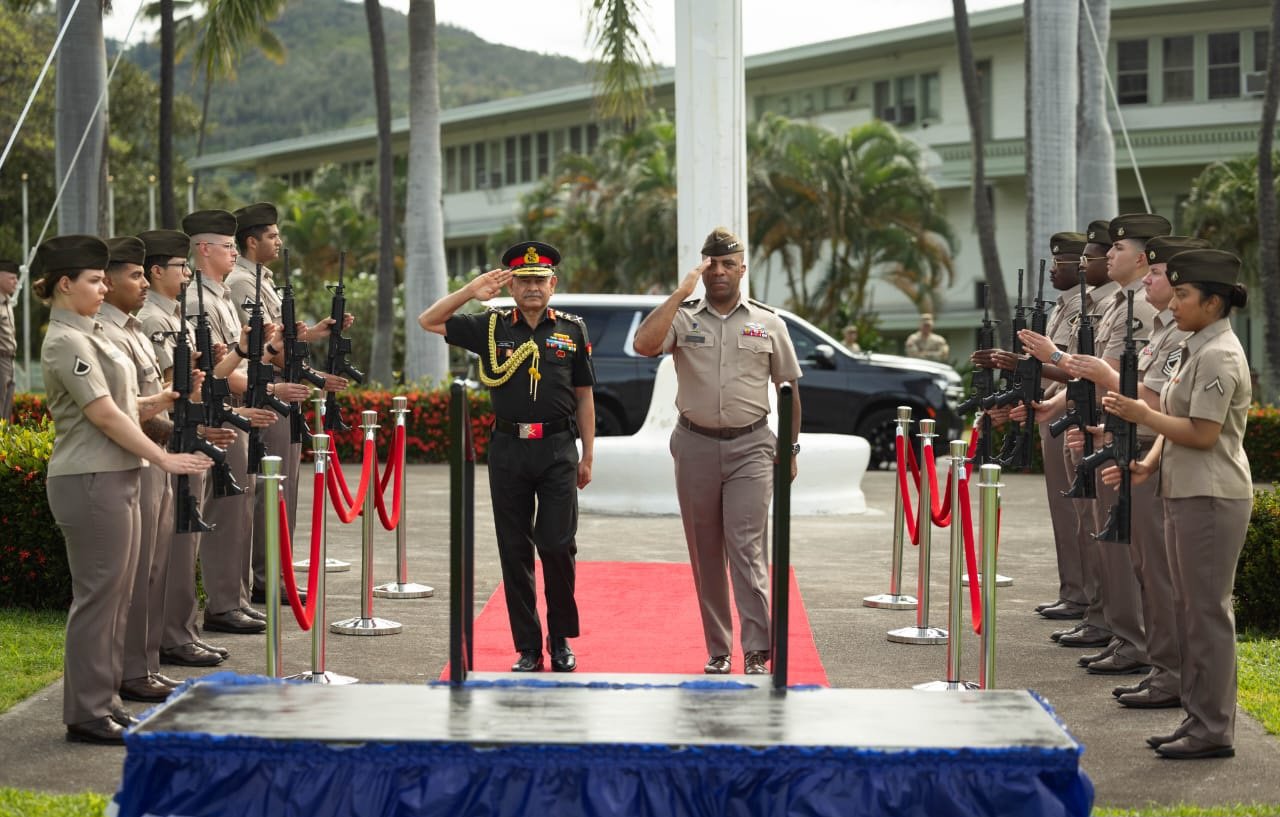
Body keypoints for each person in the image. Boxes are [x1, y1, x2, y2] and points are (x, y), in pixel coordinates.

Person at [35, 234, 210, 745]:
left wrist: (163, 399)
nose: (102, 287)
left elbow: (124, 404)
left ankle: (106, 700)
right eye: (94, 280)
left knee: (118, 596)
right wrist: (162, 457)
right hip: (91, 478)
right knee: (99, 597)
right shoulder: (66, 341)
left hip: (116, 474)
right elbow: (104, 415)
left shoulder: (93, 334)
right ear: (64, 284)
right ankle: (87, 711)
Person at [1101, 248, 1252, 760]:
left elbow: (1203, 432)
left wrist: (1140, 414)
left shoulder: (1219, 354)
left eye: (1184, 294)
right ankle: (1197, 716)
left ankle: (1212, 728)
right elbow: (1177, 420)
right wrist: (1150, 462)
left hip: (1210, 496)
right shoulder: (1194, 346)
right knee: (1189, 610)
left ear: (1213, 302)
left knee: (1206, 613)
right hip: (1186, 490)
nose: (1174, 302)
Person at [418, 241, 595, 673]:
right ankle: (528, 646)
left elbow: (584, 396)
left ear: (553, 285)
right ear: (511, 287)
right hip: (509, 449)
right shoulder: (491, 326)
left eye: (540, 280)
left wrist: (588, 454)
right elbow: (429, 321)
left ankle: (560, 640)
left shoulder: (572, 330)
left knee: (556, 544)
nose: (533, 287)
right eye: (524, 280)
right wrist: (470, 291)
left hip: (557, 448)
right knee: (514, 548)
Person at [632, 227, 802, 675]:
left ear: (743, 270)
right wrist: (679, 293)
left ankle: (758, 648)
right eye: (713, 265)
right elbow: (644, 345)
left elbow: (788, 388)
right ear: (703, 270)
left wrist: (791, 448)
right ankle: (719, 648)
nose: (721, 271)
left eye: (729, 264)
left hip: (752, 446)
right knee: (705, 552)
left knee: (746, 549)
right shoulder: (683, 318)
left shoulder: (769, 322)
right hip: (695, 445)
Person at [1060, 234, 1207, 711]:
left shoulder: (1179, 334)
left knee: (1159, 573)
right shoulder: (1163, 328)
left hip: (1153, 452)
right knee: (1142, 564)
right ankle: (1157, 663)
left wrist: (1099, 378)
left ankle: (1164, 667)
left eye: (1160, 275)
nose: (1151, 281)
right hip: (1135, 446)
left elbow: (1159, 403)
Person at [228, 202, 346, 605]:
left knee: (285, 487)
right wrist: (308, 370)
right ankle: (266, 577)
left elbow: (283, 341)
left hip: (282, 387)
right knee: (272, 488)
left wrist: (314, 333)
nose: (279, 241)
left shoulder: (262, 280)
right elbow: (266, 348)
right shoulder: (242, 283)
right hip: (267, 389)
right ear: (251, 241)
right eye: (272, 235)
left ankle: (276, 572)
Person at [136, 229, 231, 668]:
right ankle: (172, 636)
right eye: (179, 266)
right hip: (170, 436)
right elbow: (164, 391)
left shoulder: (176, 316)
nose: (187, 273)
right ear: (158, 271)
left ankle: (180, 632)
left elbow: (193, 382)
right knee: (174, 550)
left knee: (185, 544)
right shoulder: (153, 320)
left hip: (186, 430)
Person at [182, 209, 278, 636]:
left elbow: (236, 361)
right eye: (226, 246)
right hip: (216, 412)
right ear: (204, 249)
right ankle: (223, 603)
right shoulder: (197, 301)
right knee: (225, 511)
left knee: (239, 509)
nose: (235, 252)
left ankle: (234, 598)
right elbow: (213, 370)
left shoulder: (219, 296)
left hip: (233, 408)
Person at [100, 236, 182, 704]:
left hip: (155, 451)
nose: (143, 282)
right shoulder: (107, 333)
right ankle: (132, 670)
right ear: (108, 282)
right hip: (139, 455)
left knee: (154, 566)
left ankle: (146, 665)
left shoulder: (131, 329)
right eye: (134, 275)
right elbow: (124, 408)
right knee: (136, 573)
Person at [0, 259, 17, 422]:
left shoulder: (7, 302)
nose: (16, 282)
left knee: (6, 407)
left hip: (9, 359)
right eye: (12, 278)